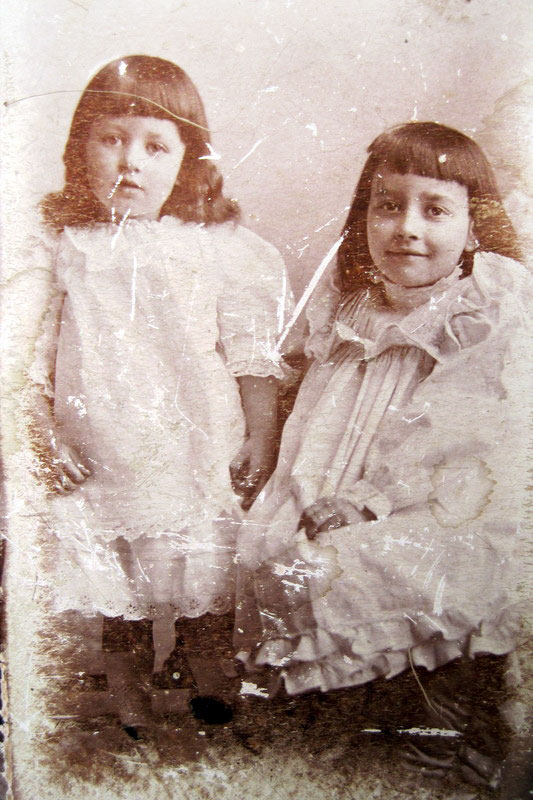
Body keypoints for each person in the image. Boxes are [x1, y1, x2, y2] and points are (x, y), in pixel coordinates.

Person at [235, 122, 530, 785]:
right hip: (329, 490)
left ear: (474, 227)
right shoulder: (349, 306)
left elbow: (458, 432)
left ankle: (445, 721)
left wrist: (370, 501)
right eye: (387, 204)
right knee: (274, 553)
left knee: (363, 570)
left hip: (437, 500)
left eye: (434, 210)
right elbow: (304, 407)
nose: (406, 227)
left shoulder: (480, 309)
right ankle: (324, 711)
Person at [27, 54, 293, 733]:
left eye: (154, 145)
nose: (129, 162)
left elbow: (250, 349)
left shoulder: (216, 245)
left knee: (205, 582)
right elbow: (27, 357)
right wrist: (45, 433)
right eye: (110, 138)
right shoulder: (63, 245)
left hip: (194, 442)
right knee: (120, 604)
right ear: (79, 145)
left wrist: (260, 434)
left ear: (189, 160)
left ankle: (214, 697)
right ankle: (131, 708)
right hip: (104, 445)